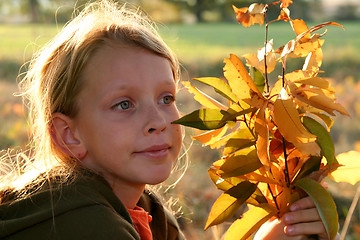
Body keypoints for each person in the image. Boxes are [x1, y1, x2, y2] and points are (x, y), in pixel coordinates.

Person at [0, 1, 337, 239]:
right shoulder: (84, 223)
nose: (158, 120)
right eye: (123, 104)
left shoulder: (141, 208)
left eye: (166, 98)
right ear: (69, 134)